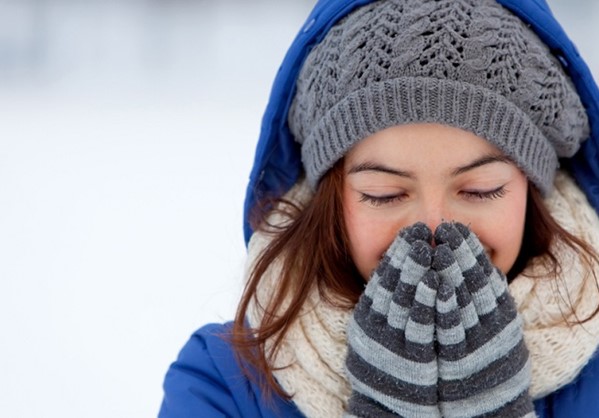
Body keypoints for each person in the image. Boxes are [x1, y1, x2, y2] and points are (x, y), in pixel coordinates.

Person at [159, 0, 599, 416]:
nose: (433, 229)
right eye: (384, 194)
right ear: (332, 200)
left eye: (481, 189)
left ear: (532, 189)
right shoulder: (222, 383)